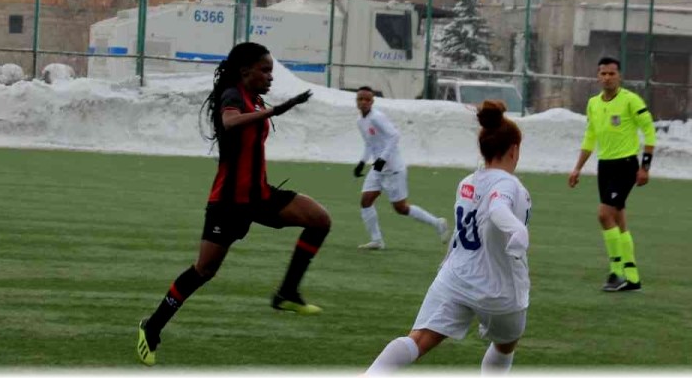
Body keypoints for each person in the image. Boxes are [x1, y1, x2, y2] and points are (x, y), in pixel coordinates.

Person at [136, 42, 331, 367]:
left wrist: (266, 109)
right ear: (245, 72)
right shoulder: (232, 95)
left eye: (271, 70)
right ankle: (152, 327)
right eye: (264, 70)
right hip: (229, 204)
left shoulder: (253, 99)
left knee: (320, 220)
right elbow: (230, 122)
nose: (270, 76)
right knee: (204, 271)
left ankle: (286, 294)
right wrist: (275, 110)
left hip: (261, 196)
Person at [366, 100, 532, 375]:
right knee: (505, 345)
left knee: (417, 339)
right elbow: (497, 208)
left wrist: (446, 263)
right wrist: (518, 230)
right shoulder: (508, 184)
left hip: (455, 277)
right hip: (498, 288)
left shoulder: (467, 182)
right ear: (514, 150)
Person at [568, 56, 656, 293]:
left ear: (619, 76)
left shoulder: (631, 101)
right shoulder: (593, 104)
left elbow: (649, 131)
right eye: (603, 74)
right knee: (618, 220)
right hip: (605, 166)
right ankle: (632, 276)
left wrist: (645, 166)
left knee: (603, 215)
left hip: (626, 165)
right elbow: (590, 136)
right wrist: (578, 167)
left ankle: (616, 272)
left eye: (612, 73)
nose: (607, 77)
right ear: (598, 76)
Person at [353, 86, 450, 249]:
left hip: (393, 168)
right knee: (366, 201)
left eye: (367, 99)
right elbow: (370, 144)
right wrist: (362, 162)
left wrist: (383, 159)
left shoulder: (377, 117)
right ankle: (377, 240)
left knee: (401, 208)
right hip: (377, 169)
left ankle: (438, 223)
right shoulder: (360, 121)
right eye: (360, 99)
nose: (363, 102)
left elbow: (394, 136)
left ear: (372, 101)